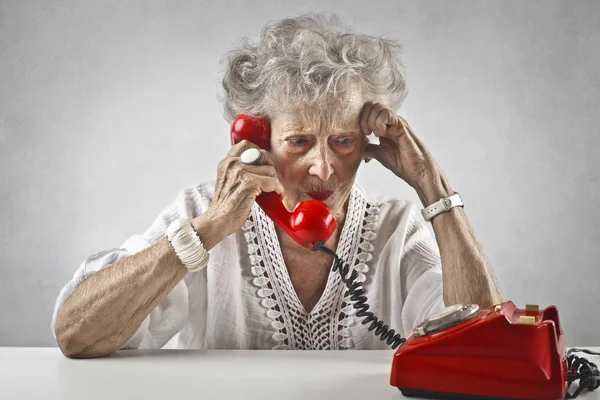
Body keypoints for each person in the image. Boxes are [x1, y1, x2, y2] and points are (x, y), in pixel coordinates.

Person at [51, 14, 503, 357]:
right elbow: (76, 335)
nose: (323, 168)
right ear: (255, 139)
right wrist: (207, 230)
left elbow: (486, 350)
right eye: (300, 141)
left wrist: (431, 186)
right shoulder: (200, 211)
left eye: (343, 141)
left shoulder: (397, 228)